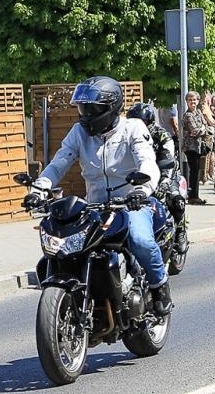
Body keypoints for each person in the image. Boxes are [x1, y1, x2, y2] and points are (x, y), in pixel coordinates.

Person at [28, 77, 171, 314]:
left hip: (131, 203)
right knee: (67, 248)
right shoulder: (79, 133)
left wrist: (141, 190)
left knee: (140, 240)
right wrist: (39, 189)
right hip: (95, 207)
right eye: (83, 108)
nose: (85, 115)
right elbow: (59, 163)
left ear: (111, 107)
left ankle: (159, 285)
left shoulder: (133, 128)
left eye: (92, 109)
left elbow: (147, 161)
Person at [181, 91, 213, 205]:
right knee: (194, 171)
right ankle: (193, 196)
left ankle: (195, 195)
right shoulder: (187, 115)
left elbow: (205, 125)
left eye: (194, 100)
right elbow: (195, 131)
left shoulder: (198, 112)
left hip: (199, 146)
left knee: (197, 171)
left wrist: (203, 128)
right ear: (186, 102)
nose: (192, 102)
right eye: (190, 100)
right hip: (190, 147)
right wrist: (202, 128)